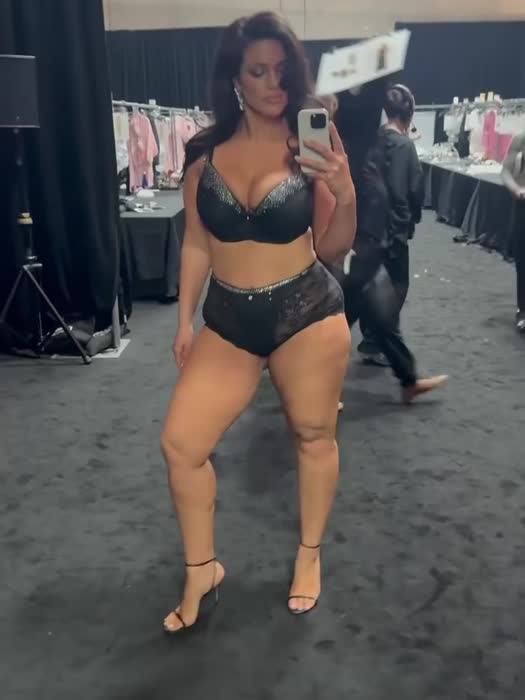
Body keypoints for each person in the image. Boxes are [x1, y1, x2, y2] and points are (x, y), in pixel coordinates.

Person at [160, 11, 356, 633]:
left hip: (305, 311)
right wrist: (184, 320)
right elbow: (197, 240)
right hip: (228, 318)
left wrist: (346, 191)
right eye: (259, 71)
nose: (275, 83)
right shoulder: (203, 153)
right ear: (235, 78)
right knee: (181, 445)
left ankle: (309, 555)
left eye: (282, 70)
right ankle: (202, 570)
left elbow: (332, 248)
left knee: (314, 435)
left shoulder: (310, 145)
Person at [335, 86, 447, 404]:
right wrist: (400, 235)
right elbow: (403, 196)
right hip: (380, 241)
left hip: (365, 237)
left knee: (365, 309)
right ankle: (310, 375)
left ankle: (406, 377)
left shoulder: (372, 142)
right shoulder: (399, 146)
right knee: (366, 307)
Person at [358, 85, 424, 366]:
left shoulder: (373, 140)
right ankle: (379, 342)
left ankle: (371, 338)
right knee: (396, 286)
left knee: (370, 282)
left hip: (368, 228)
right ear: (409, 113)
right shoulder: (405, 146)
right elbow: (413, 190)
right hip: (394, 230)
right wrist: (411, 221)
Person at [501, 131, 525, 333]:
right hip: (523, 205)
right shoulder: (521, 139)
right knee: (523, 261)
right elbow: (505, 172)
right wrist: (517, 189)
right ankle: (523, 310)